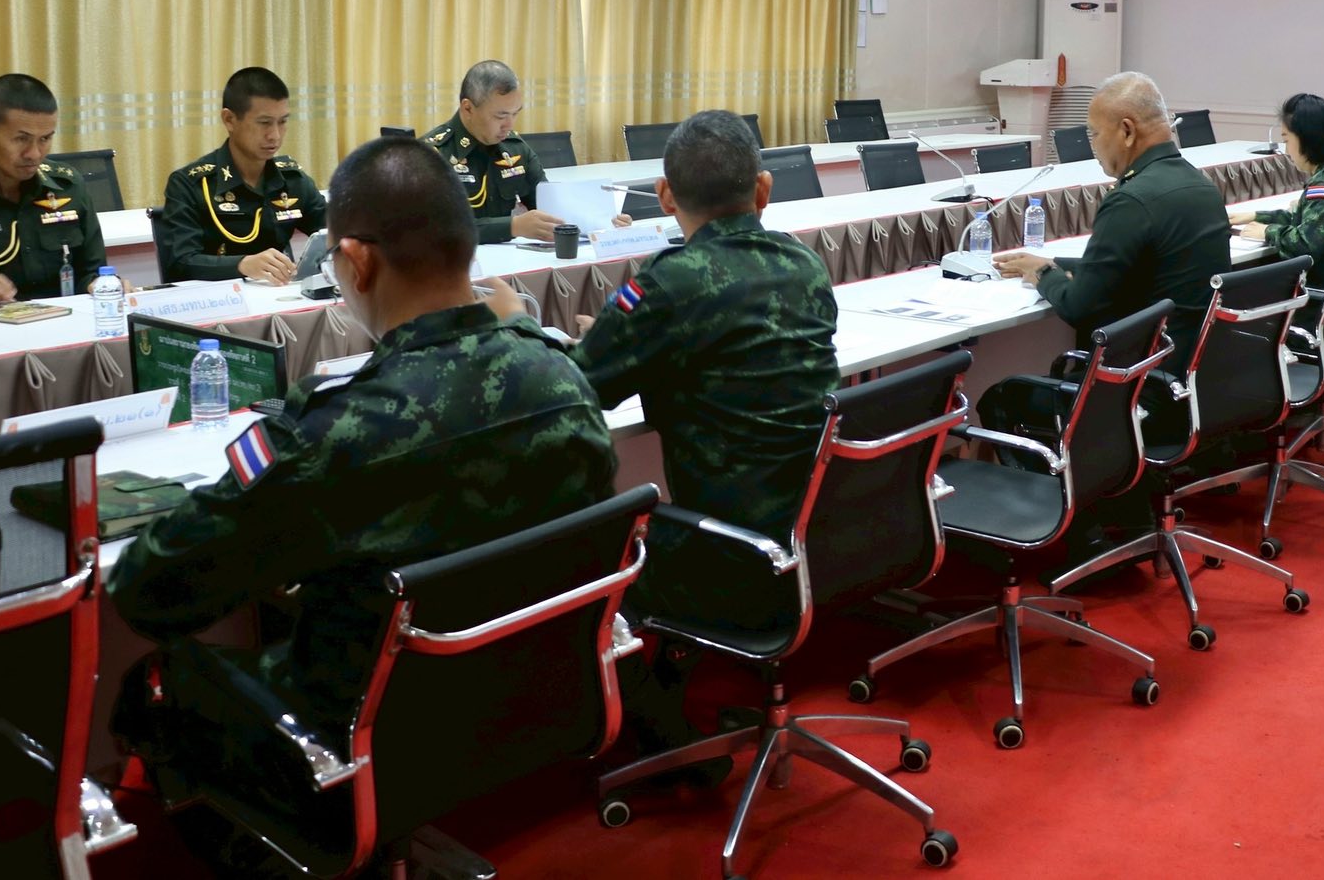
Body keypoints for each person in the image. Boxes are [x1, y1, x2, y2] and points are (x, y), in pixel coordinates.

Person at [108, 136, 615, 860]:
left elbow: (150, 591)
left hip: (359, 741)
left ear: (355, 261)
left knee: (157, 683)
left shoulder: (335, 432)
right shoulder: (563, 381)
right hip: (536, 703)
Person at [563, 109, 838, 775]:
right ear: (764, 190)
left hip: (730, 553)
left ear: (665, 197)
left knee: (588, 541)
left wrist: (543, 327)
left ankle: (655, 727)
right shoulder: (804, 265)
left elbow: (581, 387)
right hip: (821, 532)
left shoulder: (668, 283)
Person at [986, 71, 1231, 449]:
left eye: (1095, 134)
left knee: (1001, 396)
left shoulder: (1131, 200)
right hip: (1194, 381)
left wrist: (1044, 272)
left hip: (1137, 389)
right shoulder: (1199, 185)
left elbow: (1079, 306)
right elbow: (1146, 264)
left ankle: (1067, 485)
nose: (1094, 146)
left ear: (1127, 131)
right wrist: (1059, 262)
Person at [0, 74, 107, 305]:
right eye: (21, 139)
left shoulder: (67, 186)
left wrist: (100, 284)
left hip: (64, 322)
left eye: (45, 139)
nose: (34, 154)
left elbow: (92, 272)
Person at [158, 67, 328, 284]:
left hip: (277, 294)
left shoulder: (292, 180)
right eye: (264, 123)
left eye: (283, 121)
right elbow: (180, 263)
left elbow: (335, 232)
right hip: (217, 298)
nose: (275, 135)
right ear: (229, 120)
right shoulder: (191, 184)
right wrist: (241, 265)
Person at [1232, 92, 1324, 289]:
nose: (1286, 151)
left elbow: (1305, 245)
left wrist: (1268, 231)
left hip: (1322, 292)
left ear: (1307, 139)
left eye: (1286, 140)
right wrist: (1257, 216)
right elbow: (1311, 220)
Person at [422, 59, 571, 244]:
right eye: (500, 116)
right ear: (468, 108)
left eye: (515, 114)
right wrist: (512, 227)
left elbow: (548, 208)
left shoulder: (515, 148)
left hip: (512, 258)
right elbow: (435, 230)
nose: (509, 125)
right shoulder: (431, 155)